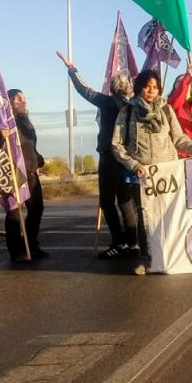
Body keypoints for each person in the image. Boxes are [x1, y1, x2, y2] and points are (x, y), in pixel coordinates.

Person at [114, 69, 192, 275]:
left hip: (167, 174)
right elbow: (117, 146)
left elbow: (179, 138)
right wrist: (133, 165)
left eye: (155, 87)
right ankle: (146, 259)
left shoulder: (166, 111)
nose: (151, 91)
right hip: (142, 176)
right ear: (139, 87)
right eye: (147, 86)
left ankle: (174, 256)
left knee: (169, 215)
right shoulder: (127, 112)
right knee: (145, 218)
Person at [57, 51, 138, 259]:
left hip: (110, 157)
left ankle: (118, 243)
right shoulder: (134, 106)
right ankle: (133, 243)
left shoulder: (107, 102)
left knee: (108, 201)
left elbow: (85, 90)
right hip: (128, 159)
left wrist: (71, 68)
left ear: (111, 89)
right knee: (126, 201)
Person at [0, 89, 47, 263]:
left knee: (36, 209)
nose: (24, 101)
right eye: (19, 98)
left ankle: (31, 245)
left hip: (31, 173)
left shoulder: (26, 121)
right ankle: (16, 250)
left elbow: (30, 146)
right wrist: (0, 138)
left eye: (25, 98)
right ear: (10, 102)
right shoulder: (3, 124)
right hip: (13, 173)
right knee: (14, 213)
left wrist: (38, 160)